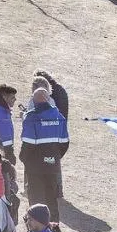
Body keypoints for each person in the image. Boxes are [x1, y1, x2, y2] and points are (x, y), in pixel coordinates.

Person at [19, 88, 68, 224]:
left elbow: (27, 145)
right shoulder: (59, 117)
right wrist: (54, 158)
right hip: (52, 166)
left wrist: (25, 160)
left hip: (35, 167)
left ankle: (35, 227)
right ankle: (54, 226)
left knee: (36, 199)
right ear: (48, 99)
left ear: (34, 101)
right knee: (51, 197)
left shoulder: (31, 118)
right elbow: (64, 143)